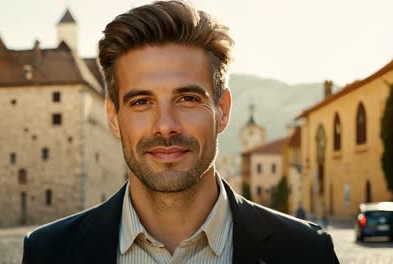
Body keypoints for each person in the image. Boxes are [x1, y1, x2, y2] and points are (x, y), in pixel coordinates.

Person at [22, 1, 339, 263]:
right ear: (113, 116)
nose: (165, 125)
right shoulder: (49, 253)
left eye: (187, 99)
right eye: (142, 101)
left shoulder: (306, 252)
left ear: (223, 110)